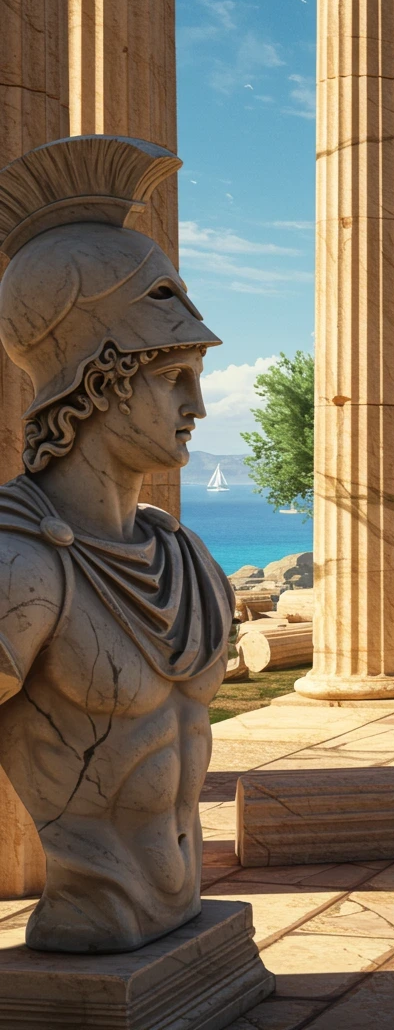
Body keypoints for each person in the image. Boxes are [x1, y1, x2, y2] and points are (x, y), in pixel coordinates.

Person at [0, 136, 232, 954]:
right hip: (91, 919)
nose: (199, 406)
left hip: (179, 916)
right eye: (174, 376)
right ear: (98, 378)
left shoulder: (189, 559)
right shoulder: (22, 566)